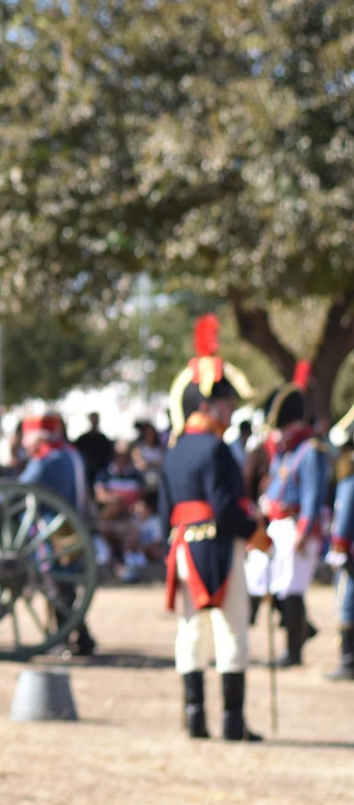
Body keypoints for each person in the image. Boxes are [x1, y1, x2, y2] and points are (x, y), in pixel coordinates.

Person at [159, 314, 258, 741]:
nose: (230, 410)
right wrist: (257, 532)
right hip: (218, 544)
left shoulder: (174, 450)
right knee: (232, 628)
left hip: (182, 547)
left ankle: (194, 716)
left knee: (191, 631)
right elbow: (224, 506)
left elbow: (166, 507)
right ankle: (233, 723)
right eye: (225, 403)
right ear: (206, 404)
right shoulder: (217, 449)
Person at [254, 363, 327, 667]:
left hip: (298, 526)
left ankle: (293, 651)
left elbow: (313, 495)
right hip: (279, 524)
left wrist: (304, 530)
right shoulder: (285, 451)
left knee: (292, 588)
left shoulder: (310, 451)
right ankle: (301, 632)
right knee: (265, 580)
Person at [18, 412, 96, 657]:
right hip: (75, 527)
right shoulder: (71, 454)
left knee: (56, 587)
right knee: (66, 588)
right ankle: (82, 639)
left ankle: (63, 640)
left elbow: (18, 489)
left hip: (51, 531)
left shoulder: (46, 460)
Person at [326, 437, 354, 681]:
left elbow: (344, 517)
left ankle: (348, 661)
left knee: (346, 603)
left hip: (351, 557)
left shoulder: (350, 480)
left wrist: (339, 546)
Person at [73, 412, 115, 484]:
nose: (94, 422)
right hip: (85, 473)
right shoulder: (82, 439)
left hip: (101, 474)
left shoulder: (103, 440)